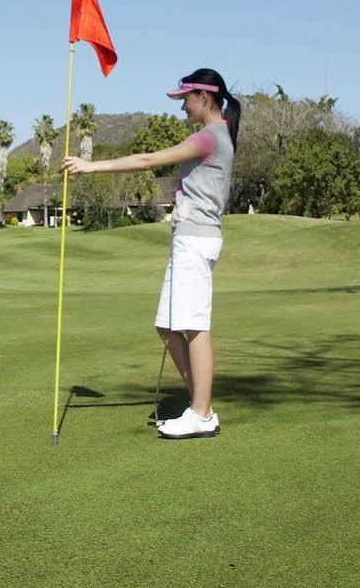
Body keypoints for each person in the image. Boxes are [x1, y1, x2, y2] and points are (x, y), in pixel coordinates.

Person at [64, 67, 240, 440]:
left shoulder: (210, 137)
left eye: (185, 100)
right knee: (167, 325)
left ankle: (202, 413)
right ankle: (199, 405)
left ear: (204, 97)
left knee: (194, 328)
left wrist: (90, 166)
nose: (183, 108)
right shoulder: (214, 135)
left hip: (196, 239)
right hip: (188, 238)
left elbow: (148, 160)